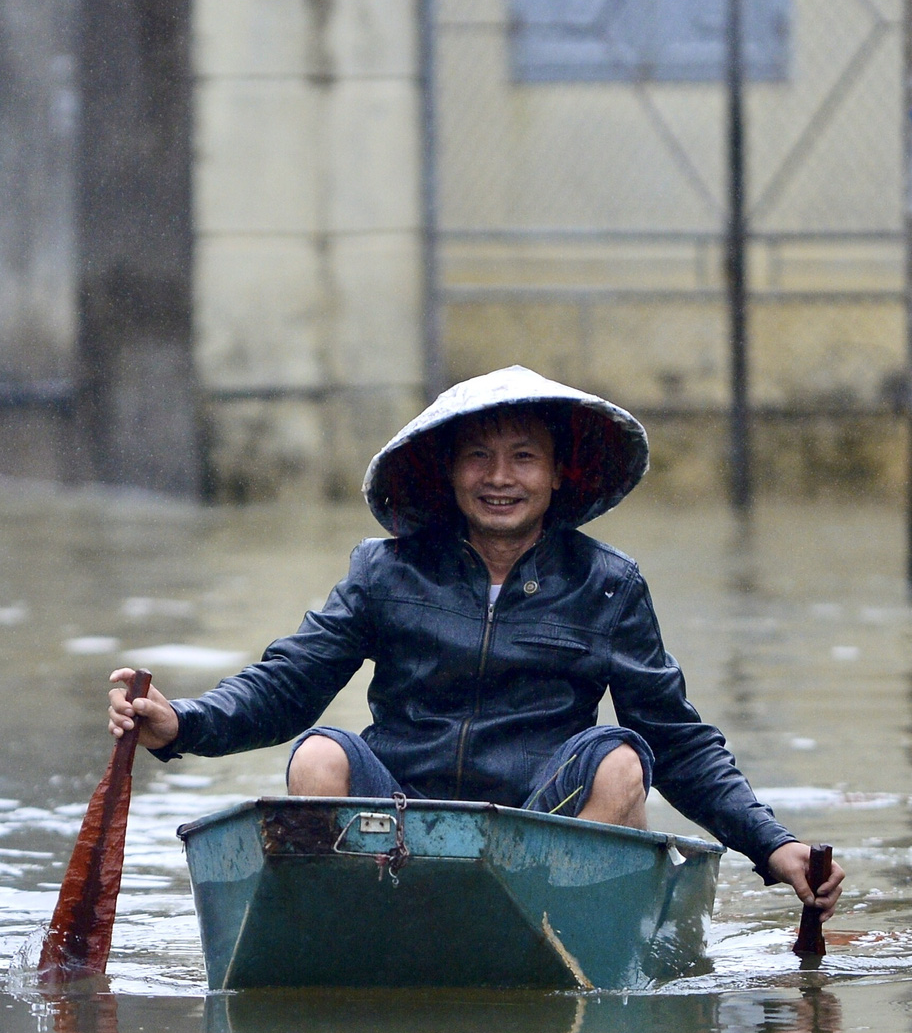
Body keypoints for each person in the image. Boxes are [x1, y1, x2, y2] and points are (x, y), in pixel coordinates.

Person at [108, 366, 844, 918]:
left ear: (558, 475)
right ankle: (360, 925)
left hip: (540, 823)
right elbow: (288, 681)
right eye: (478, 458)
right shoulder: (385, 570)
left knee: (621, 764)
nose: (500, 478)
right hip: (400, 818)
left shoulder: (608, 584)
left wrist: (772, 845)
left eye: (524, 457)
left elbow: (678, 741)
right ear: (450, 472)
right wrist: (183, 724)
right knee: (318, 755)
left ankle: (549, 926)